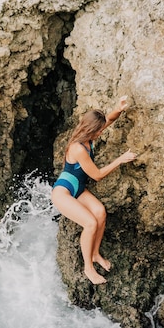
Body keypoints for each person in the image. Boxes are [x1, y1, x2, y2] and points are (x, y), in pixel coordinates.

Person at [51, 96, 137, 285]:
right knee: (90, 223)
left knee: (100, 212)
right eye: (98, 131)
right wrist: (119, 160)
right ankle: (88, 268)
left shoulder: (87, 136)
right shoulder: (78, 147)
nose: (100, 133)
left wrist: (119, 108)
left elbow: (109, 120)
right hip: (63, 192)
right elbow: (97, 175)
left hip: (78, 188)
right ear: (91, 130)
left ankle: (96, 253)